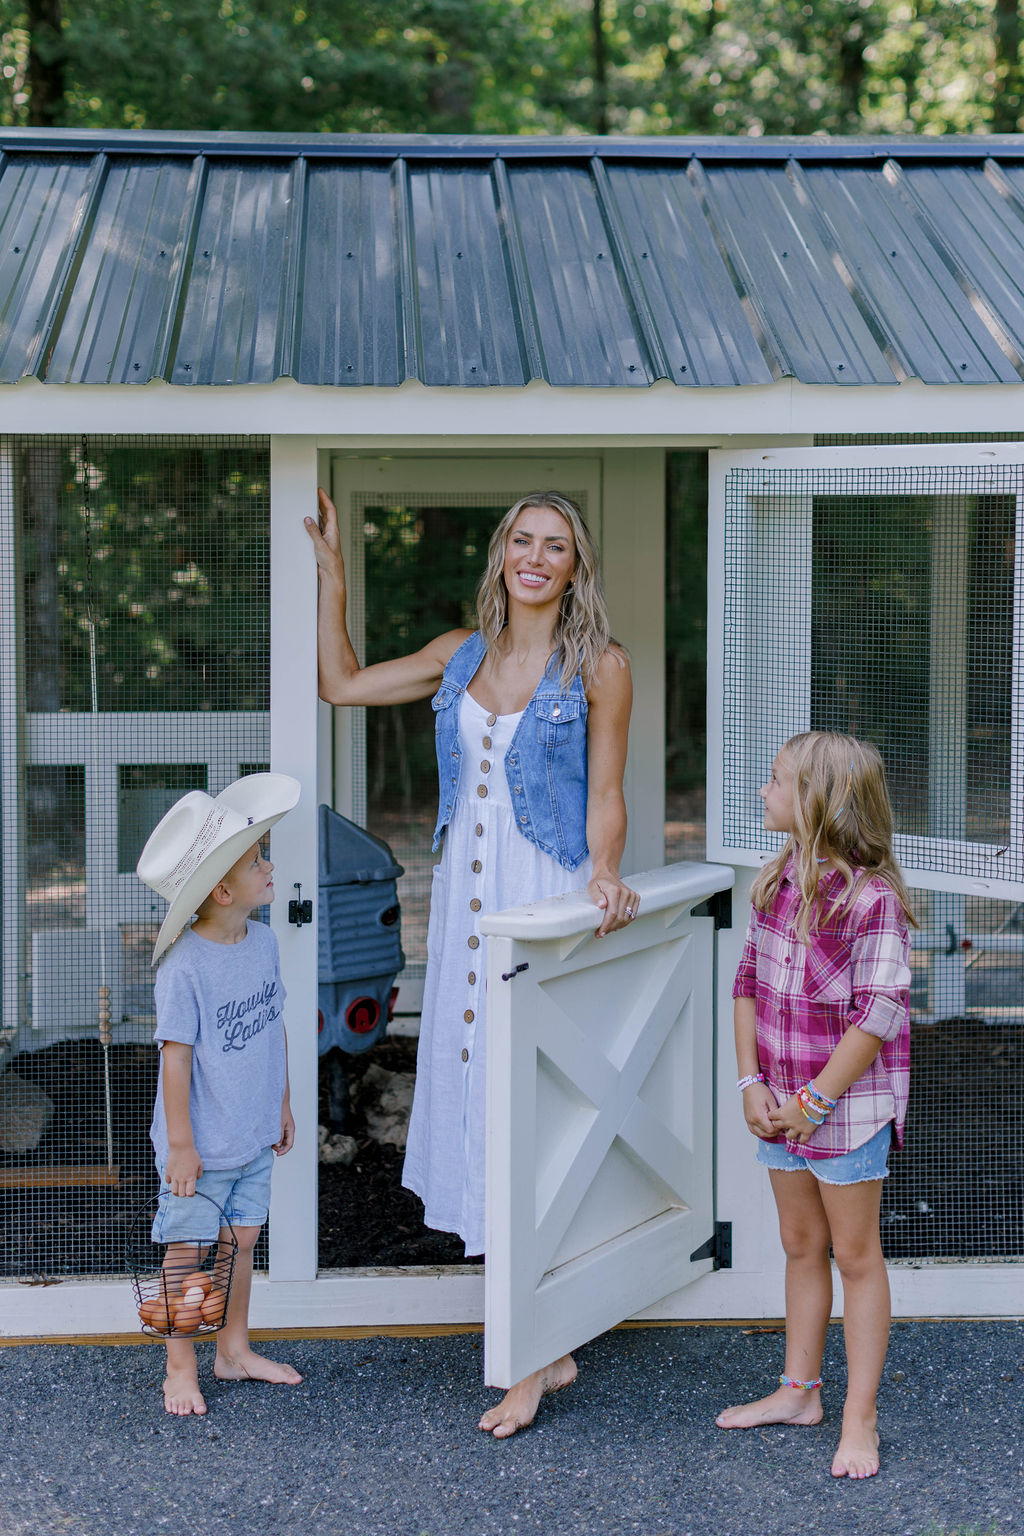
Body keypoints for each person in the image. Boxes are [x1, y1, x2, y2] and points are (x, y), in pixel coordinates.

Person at [305, 487, 639, 1437]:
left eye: (557, 547)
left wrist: (606, 871)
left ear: (576, 567)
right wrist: (332, 577)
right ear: (501, 556)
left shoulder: (600, 667)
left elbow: (606, 792)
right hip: (467, 904)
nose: (537, 558)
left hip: (545, 900)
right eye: (523, 542)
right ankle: (547, 1339)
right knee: (478, 1095)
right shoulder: (460, 655)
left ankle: (529, 1355)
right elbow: (341, 685)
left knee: (530, 1106)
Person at [715, 732, 914, 1479]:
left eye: (775, 781)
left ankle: (859, 1417)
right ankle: (800, 1392)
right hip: (779, 1108)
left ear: (819, 804)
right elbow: (746, 985)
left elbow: (878, 1015)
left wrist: (812, 1101)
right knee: (801, 1245)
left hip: (845, 1112)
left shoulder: (872, 902)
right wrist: (751, 1084)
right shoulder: (777, 882)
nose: (764, 792)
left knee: (856, 1258)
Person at [136, 773, 304, 1416]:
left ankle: (232, 1350)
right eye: (258, 859)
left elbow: (274, 1030)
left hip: (253, 1134)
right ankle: (180, 1367)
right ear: (224, 890)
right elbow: (173, 1061)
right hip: (201, 1150)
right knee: (189, 1254)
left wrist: (282, 1105)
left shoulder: (262, 944)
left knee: (241, 1245)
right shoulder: (184, 967)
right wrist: (181, 1145)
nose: (271, 865)